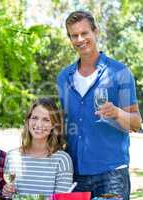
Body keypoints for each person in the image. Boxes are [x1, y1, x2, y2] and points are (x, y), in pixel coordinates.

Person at [57, 10, 142, 199]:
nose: (80, 39)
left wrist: (117, 112)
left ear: (96, 32)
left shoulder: (119, 72)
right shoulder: (63, 77)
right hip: (74, 173)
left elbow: (136, 124)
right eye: (74, 35)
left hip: (112, 172)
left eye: (84, 33)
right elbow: (63, 123)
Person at [2, 98, 73, 198]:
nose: (39, 124)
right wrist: (7, 193)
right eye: (35, 118)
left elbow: (61, 198)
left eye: (46, 120)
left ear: (53, 125)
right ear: (28, 120)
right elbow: (9, 196)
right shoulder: (12, 156)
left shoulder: (62, 160)